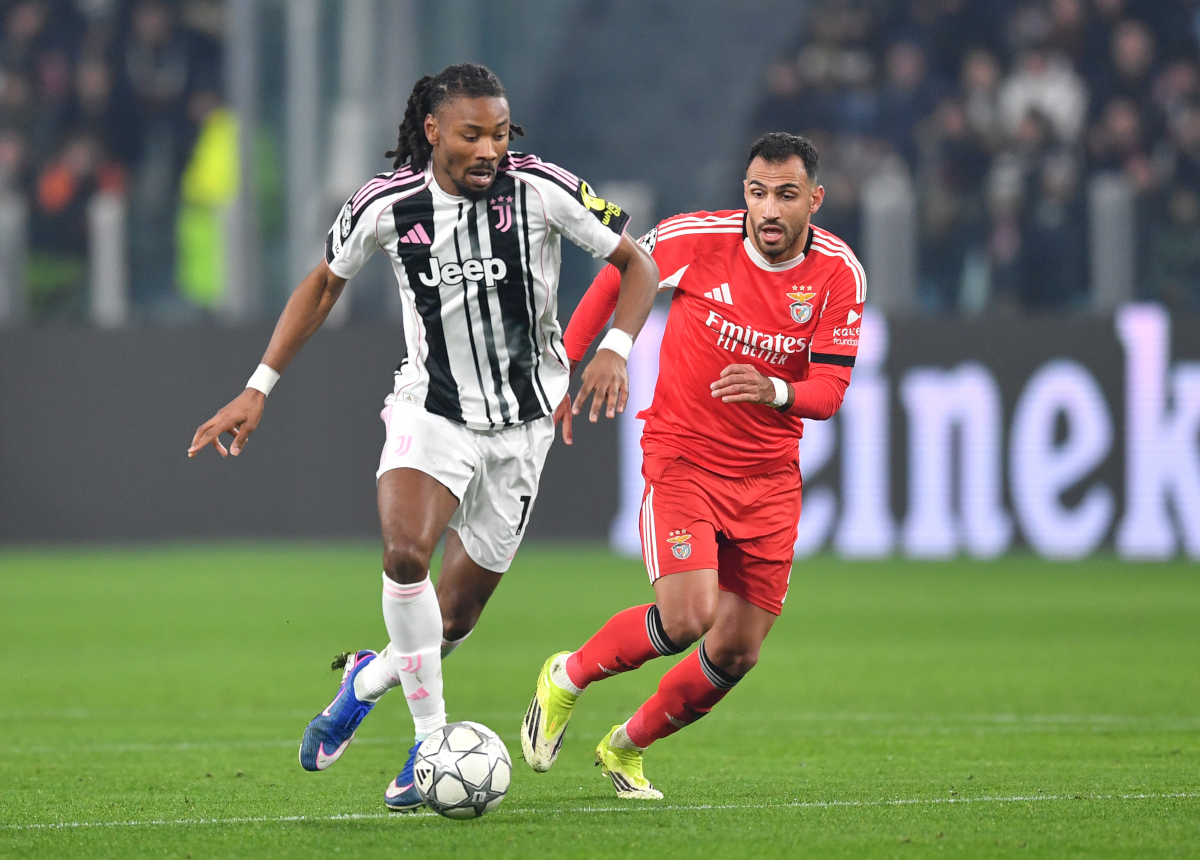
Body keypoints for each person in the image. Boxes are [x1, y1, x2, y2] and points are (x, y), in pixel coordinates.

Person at [187, 63, 658, 811]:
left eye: (500, 134)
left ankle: (366, 680)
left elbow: (639, 264)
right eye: (472, 134)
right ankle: (431, 740)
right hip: (429, 409)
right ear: (434, 130)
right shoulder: (387, 204)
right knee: (406, 554)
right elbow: (323, 285)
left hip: (521, 426)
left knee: (453, 619)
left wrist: (616, 348)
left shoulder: (540, 190)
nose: (489, 150)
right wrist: (258, 386)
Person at [520, 132, 864, 799]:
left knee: (737, 651)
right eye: (757, 192)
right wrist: (569, 361)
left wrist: (775, 390)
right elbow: (618, 277)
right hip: (685, 460)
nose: (769, 209)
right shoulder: (695, 237)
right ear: (744, 191)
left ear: (813, 201)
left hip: (768, 481)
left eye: (786, 196)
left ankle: (625, 746)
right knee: (686, 618)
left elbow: (829, 392)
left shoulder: (837, 275)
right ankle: (569, 676)